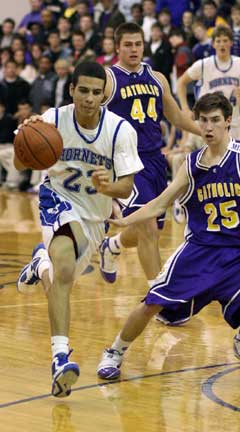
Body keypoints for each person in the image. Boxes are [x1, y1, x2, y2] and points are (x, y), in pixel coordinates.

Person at [96, 92, 240, 380]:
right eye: (203, 120)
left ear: (228, 121)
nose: (208, 127)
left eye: (215, 121)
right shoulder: (192, 164)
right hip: (201, 249)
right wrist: (124, 221)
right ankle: (115, 351)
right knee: (151, 303)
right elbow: (160, 203)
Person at [15, 61, 143, 397]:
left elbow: (127, 187)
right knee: (68, 268)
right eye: (82, 90)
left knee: (63, 276)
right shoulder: (53, 120)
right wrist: (26, 136)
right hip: (57, 199)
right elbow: (19, 162)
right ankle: (59, 357)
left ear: (104, 94)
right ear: (71, 90)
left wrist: (109, 186)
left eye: (95, 92)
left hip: (95, 217)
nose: (88, 98)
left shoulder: (120, 130)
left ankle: (40, 263)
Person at [99, 22, 200, 325]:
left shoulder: (156, 78)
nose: (134, 50)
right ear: (117, 47)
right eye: (128, 44)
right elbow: (85, 112)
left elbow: (176, 116)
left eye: (138, 44)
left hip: (155, 161)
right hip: (127, 163)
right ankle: (160, 300)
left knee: (148, 228)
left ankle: (112, 245)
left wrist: (210, 134)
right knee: (148, 230)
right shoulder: (108, 78)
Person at [177, 25, 240, 139]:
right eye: (218, 41)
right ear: (213, 44)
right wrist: (185, 109)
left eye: (225, 40)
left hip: (233, 125)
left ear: (231, 43)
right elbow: (181, 83)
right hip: (208, 125)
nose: (222, 44)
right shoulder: (203, 64)